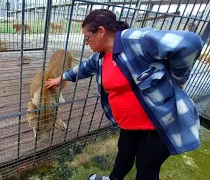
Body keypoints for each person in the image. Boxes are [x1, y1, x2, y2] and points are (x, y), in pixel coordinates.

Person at [45, 9, 204, 180]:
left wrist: (178, 77)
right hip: (129, 126)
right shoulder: (101, 56)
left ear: (100, 31)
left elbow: (190, 42)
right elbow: (84, 68)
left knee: (145, 169)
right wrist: (59, 79)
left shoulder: (135, 39)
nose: (86, 42)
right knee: (124, 156)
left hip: (158, 127)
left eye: (87, 37)